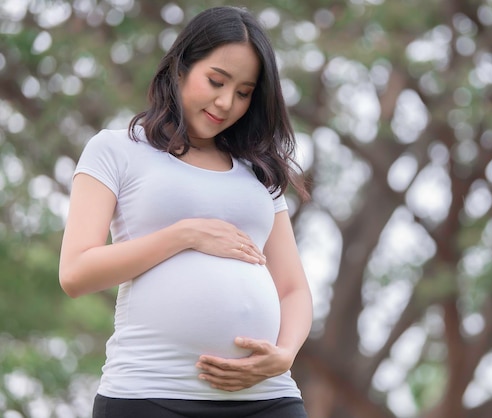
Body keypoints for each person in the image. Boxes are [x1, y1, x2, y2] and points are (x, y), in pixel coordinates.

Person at [59, 6, 312, 418]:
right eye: (216, 80)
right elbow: (75, 273)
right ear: (179, 67)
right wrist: (186, 235)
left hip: (268, 396)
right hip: (151, 392)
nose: (226, 102)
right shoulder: (117, 149)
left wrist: (284, 355)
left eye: (245, 92)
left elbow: (293, 288)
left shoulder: (259, 171)